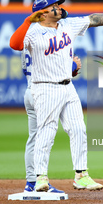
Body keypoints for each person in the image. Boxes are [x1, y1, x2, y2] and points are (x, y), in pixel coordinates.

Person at [9, 0, 103, 192]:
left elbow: (92, 19)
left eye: (59, 5)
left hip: (68, 87)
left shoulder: (68, 25)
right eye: (55, 6)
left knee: (78, 128)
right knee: (46, 131)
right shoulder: (33, 32)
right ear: (43, 12)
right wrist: (28, 20)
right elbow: (15, 45)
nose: (60, 7)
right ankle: (40, 177)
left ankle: (81, 175)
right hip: (45, 87)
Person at [22, 47, 81, 193]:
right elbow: (52, 69)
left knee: (34, 138)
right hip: (43, 93)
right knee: (46, 135)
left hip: (30, 90)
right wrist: (73, 65)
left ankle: (31, 183)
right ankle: (39, 180)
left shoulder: (27, 39)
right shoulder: (41, 39)